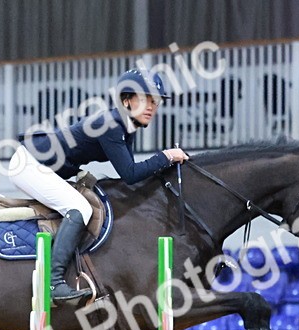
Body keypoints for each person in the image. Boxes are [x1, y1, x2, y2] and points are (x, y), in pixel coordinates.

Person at [10, 67, 190, 304]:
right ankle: (53, 284)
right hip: (28, 164)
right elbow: (131, 174)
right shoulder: (111, 124)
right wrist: (166, 156)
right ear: (126, 100)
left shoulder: (126, 126)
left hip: (43, 165)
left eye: (155, 102)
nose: (151, 107)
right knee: (80, 208)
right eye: (145, 99)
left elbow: (132, 173)